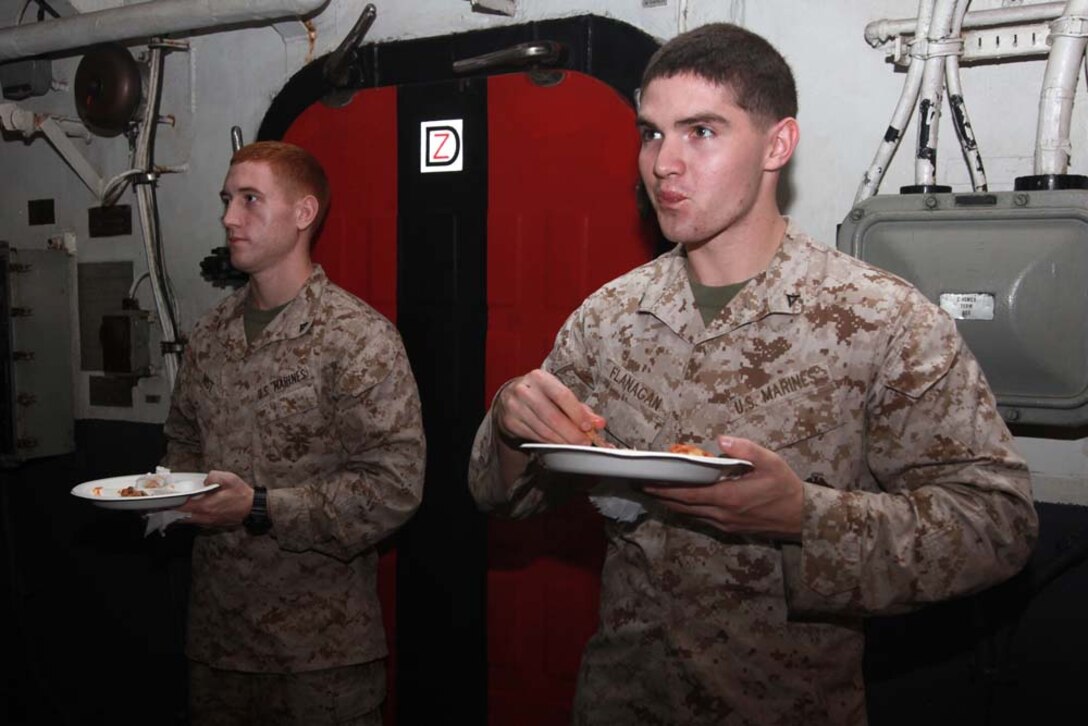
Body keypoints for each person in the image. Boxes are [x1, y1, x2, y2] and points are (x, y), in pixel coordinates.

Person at [468, 23, 1037, 726]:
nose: (663, 164)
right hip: (623, 701)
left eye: (701, 131)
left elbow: (997, 525)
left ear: (777, 144)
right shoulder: (609, 318)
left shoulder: (878, 320)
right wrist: (510, 422)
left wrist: (805, 516)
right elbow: (505, 498)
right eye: (651, 133)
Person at [163, 141, 425, 725]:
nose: (230, 217)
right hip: (217, 643)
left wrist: (258, 507)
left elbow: (393, 489)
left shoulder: (357, 338)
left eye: (251, 200)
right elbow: (182, 439)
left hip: (319, 656)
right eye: (227, 200)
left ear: (304, 214)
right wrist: (166, 494)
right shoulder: (208, 337)